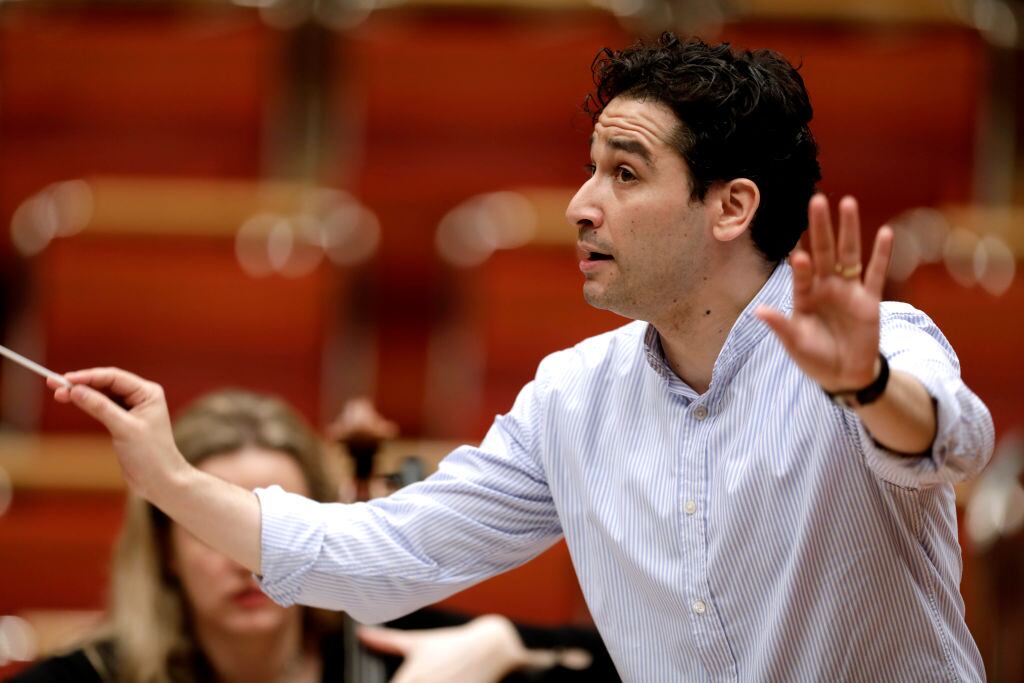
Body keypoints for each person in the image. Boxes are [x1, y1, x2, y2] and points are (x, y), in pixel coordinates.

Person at [47, 34, 995, 681]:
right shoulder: (573, 398)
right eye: (590, 168)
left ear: (730, 206)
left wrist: (864, 385)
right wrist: (168, 479)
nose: (581, 204)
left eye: (625, 173)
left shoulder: (874, 339)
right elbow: (382, 555)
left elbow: (953, 442)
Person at [11, 391, 615, 683]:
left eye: (274, 528)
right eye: (212, 529)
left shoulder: (395, 644)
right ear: (165, 550)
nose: (246, 562)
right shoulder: (90, 679)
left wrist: (502, 643)